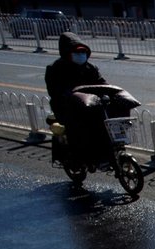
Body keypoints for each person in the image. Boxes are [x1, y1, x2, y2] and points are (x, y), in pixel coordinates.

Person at [45, 32, 113, 165]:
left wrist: (109, 92)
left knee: (105, 123)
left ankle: (105, 155)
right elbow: (54, 91)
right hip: (66, 107)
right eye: (77, 52)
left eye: (83, 52)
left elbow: (101, 82)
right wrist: (68, 95)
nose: (80, 55)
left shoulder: (90, 68)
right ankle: (83, 158)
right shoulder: (56, 68)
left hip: (90, 104)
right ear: (67, 53)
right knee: (80, 128)